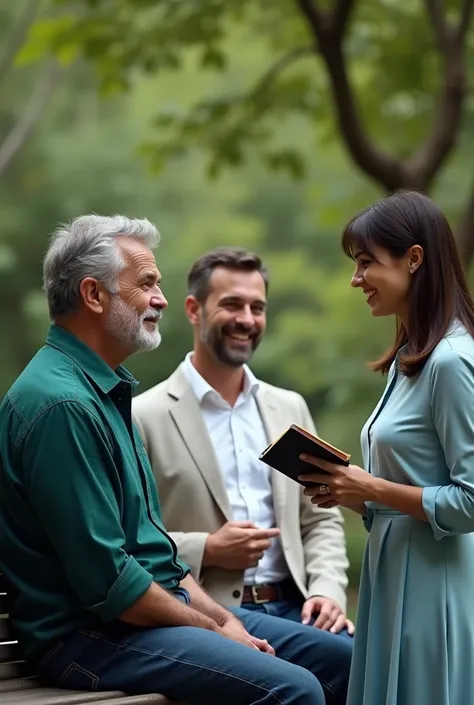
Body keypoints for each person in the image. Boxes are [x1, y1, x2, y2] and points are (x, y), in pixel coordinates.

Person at [0, 215, 350, 705]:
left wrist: (224, 620)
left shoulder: (103, 390)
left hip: (141, 616)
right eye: (146, 284)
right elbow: (111, 586)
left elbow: (155, 551)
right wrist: (214, 625)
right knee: (294, 688)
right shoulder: (62, 406)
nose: (159, 299)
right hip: (87, 637)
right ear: (94, 295)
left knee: (346, 660)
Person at [298, 190, 474, 705]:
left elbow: (469, 500)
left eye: (366, 263)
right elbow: (415, 481)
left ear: (414, 259)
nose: (356, 280)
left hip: (433, 589)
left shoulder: (451, 362)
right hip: (390, 577)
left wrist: (369, 485)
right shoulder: (408, 361)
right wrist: (351, 494)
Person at [132, 247, 354, 648]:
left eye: (258, 307)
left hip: (297, 607)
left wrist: (326, 591)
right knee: (353, 661)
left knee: (375, 658)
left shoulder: (289, 407)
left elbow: (320, 519)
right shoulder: (142, 416)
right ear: (193, 309)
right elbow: (134, 539)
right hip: (208, 615)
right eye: (232, 304)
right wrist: (208, 549)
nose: (247, 320)